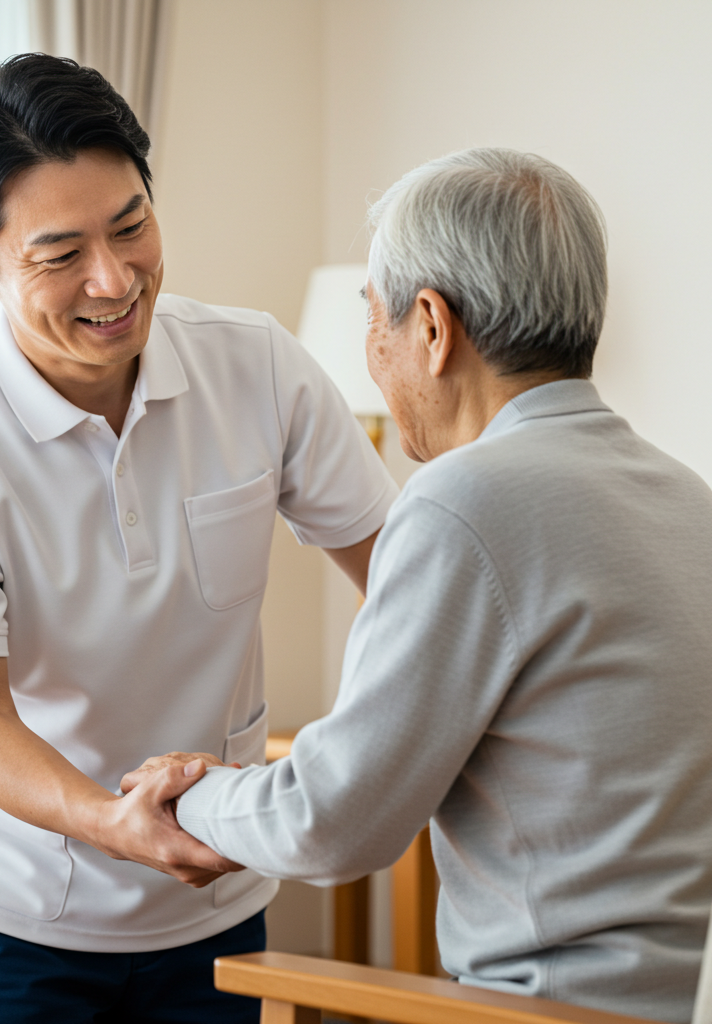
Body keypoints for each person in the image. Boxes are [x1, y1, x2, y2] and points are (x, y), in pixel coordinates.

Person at [0, 53, 397, 1023]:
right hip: (13, 925)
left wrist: (363, 752)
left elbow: (407, 582)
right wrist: (115, 823)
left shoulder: (259, 366)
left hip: (217, 908)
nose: (113, 281)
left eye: (132, 227)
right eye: (60, 254)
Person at [126, 149, 712, 1023]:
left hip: (535, 1011)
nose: (372, 351)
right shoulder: (686, 498)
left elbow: (332, 822)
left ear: (432, 327)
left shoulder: (465, 499)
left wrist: (190, 793)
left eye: (374, 317)